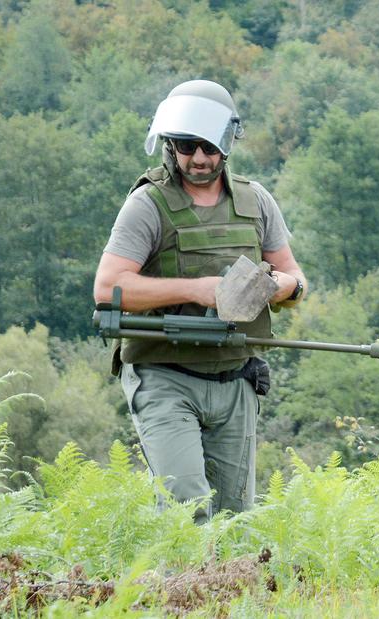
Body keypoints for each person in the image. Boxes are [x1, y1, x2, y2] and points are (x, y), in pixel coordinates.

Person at [93, 79, 306, 524]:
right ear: (170, 145)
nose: (199, 159)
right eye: (186, 147)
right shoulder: (148, 204)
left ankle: (223, 595)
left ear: (227, 142)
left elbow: (294, 276)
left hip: (235, 377)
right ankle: (178, 592)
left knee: (234, 521)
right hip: (165, 376)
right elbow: (108, 287)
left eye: (208, 146)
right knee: (186, 512)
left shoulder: (255, 200)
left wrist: (275, 286)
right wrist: (197, 289)